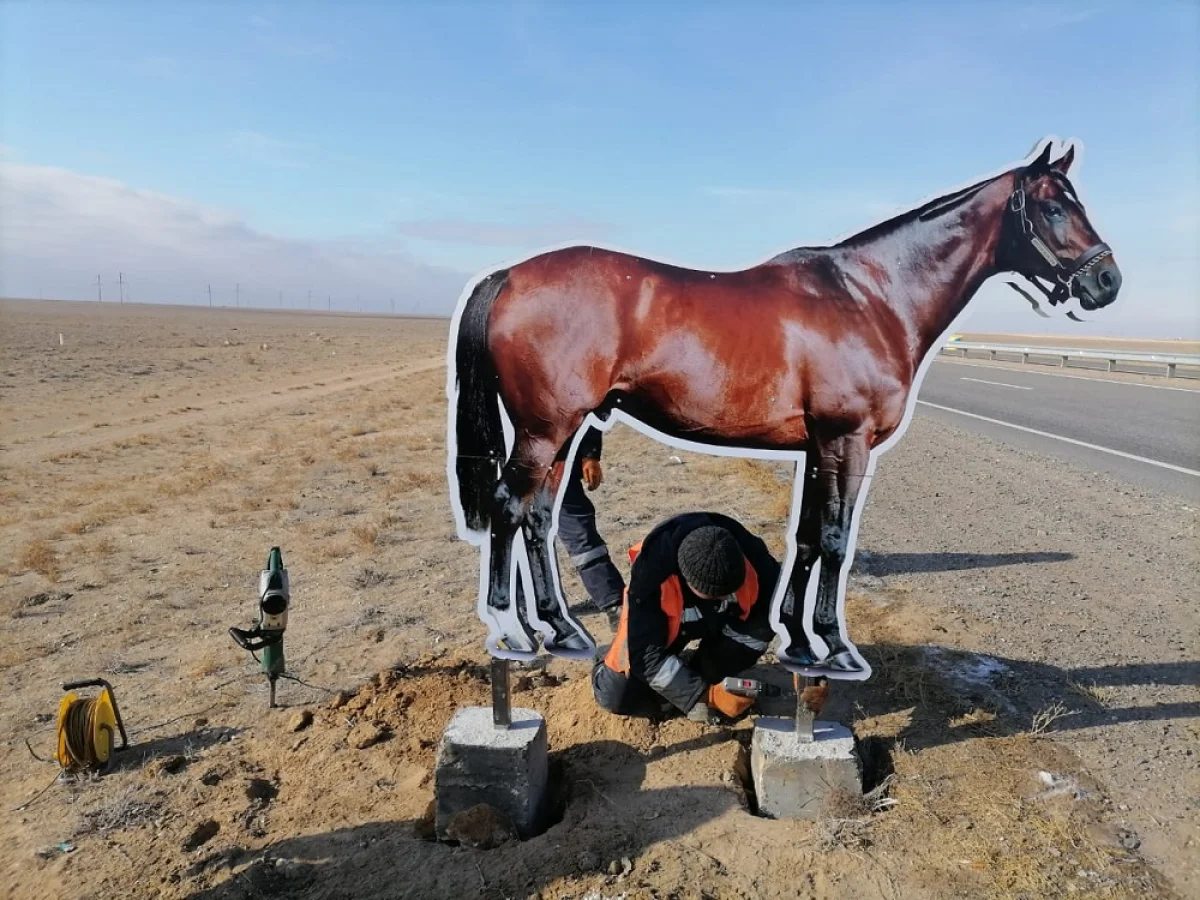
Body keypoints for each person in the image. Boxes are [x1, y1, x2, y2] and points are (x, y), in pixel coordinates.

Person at [591, 511, 780, 722]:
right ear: (688, 581)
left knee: (759, 630)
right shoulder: (651, 578)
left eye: (731, 592)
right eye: (715, 594)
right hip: (663, 628)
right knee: (616, 696)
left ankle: (701, 667)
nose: (726, 597)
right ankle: (604, 661)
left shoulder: (760, 566)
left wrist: (813, 674)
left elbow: (798, 618)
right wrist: (702, 695)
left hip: (720, 619)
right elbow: (645, 655)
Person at [556, 427, 626, 626]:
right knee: (515, 545)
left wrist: (590, 455)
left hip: (553, 464)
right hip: (502, 467)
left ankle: (614, 603)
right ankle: (521, 607)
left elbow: (584, 405)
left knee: (581, 536)